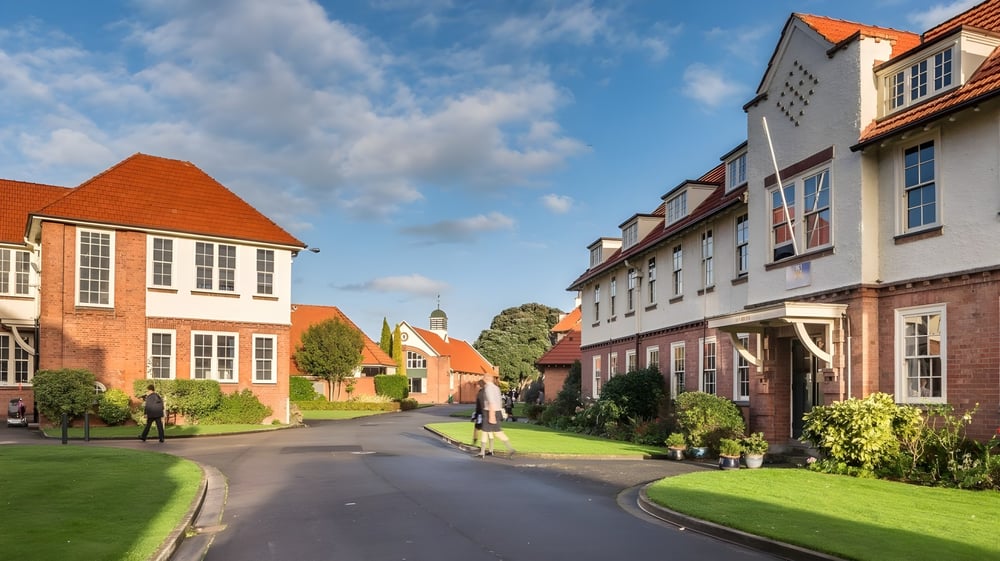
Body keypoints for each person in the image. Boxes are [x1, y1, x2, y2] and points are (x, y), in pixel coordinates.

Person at [477, 375, 515, 459]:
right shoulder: (496, 388)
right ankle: (510, 448)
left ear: (486, 379)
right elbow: (499, 401)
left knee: (484, 431)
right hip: (497, 411)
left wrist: (491, 416)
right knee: (498, 432)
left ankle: (482, 452)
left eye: (484, 378)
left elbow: (491, 402)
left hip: (490, 411)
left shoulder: (488, 388)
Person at [471, 379, 485, 446]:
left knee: (476, 429)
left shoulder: (481, 393)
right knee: (484, 430)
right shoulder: (485, 392)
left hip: (480, 414)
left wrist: (476, 415)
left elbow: (479, 405)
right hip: (485, 413)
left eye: (479, 385)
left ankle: (475, 442)